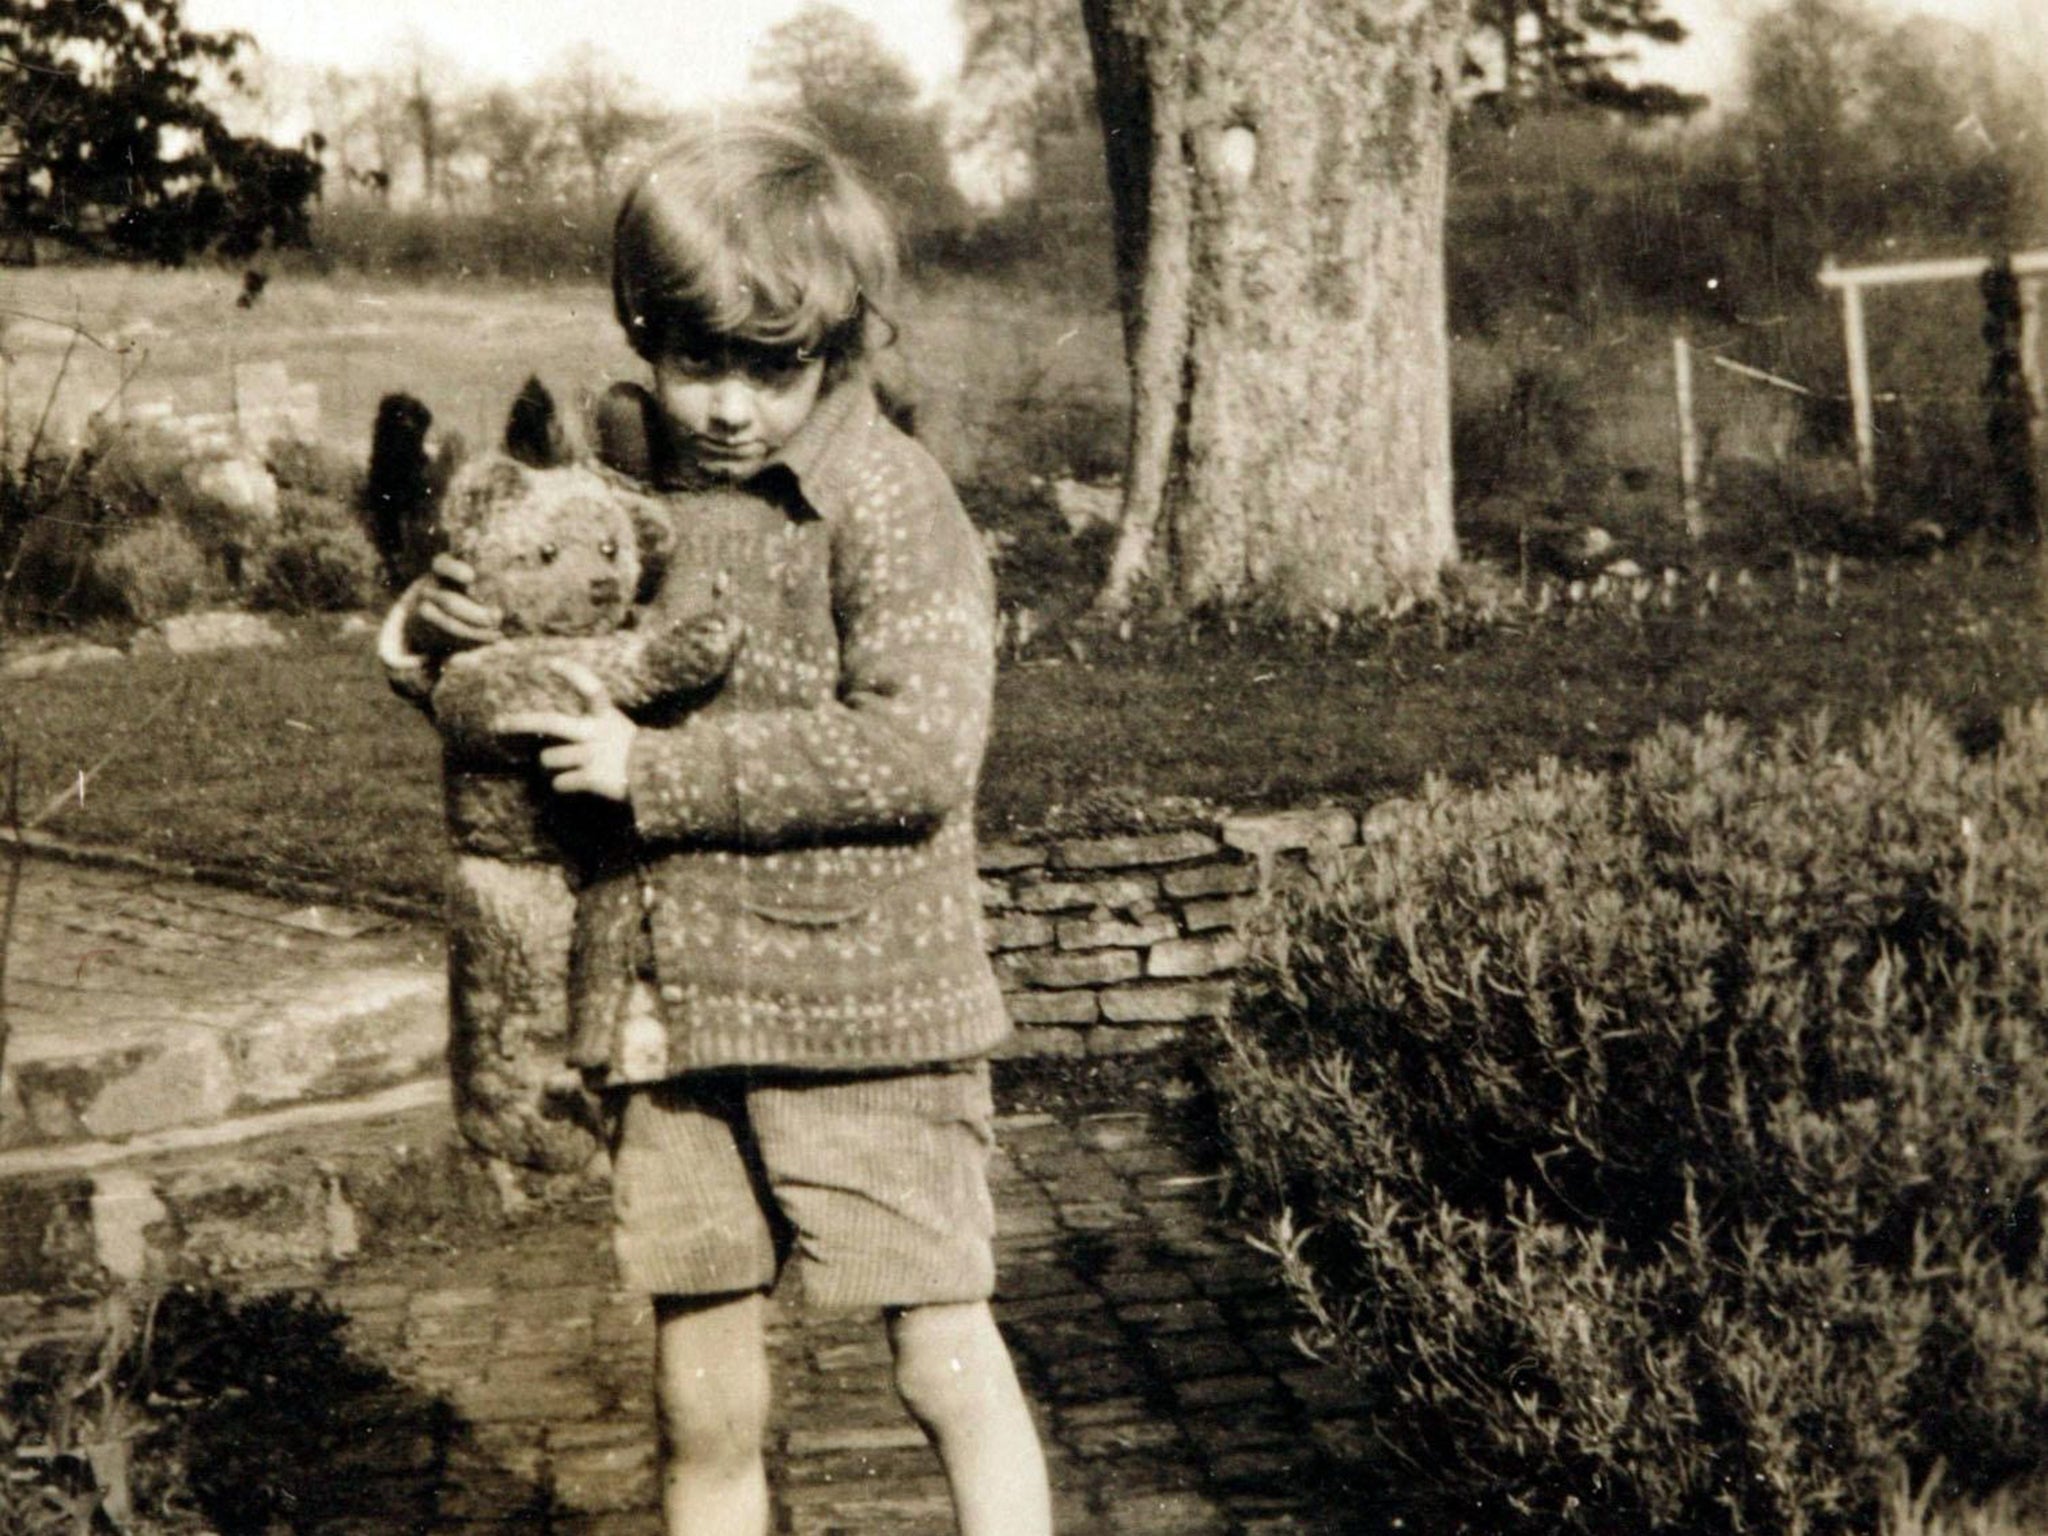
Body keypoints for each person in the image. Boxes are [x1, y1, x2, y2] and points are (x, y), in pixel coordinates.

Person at [390, 111, 1052, 1536]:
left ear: (842, 343)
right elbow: (554, 701)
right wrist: (444, 643)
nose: (732, 406)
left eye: (775, 365)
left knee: (943, 1358)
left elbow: (918, 752)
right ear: (646, 334)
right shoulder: (632, 501)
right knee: (706, 1403)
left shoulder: (890, 500)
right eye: (698, 363)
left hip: (871, 1013)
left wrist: (661, 777)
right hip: (668, 1024)